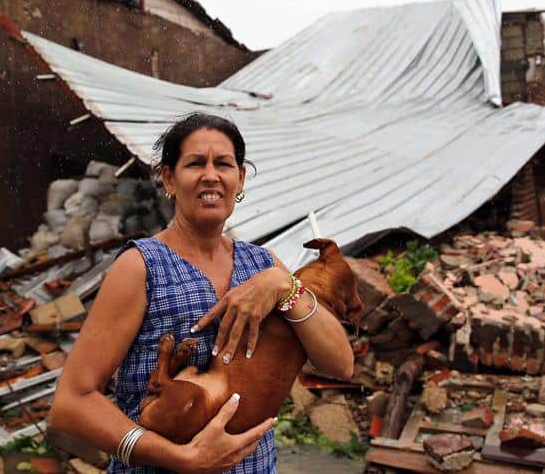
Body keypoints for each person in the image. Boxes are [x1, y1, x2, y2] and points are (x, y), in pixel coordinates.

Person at [49, 112, 354, 473]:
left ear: (239, 179)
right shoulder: (142, 267)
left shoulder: (263, 265)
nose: (211, 175)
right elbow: (71, 402)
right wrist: (184, 459)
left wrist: (282, 285)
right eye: (195, 163)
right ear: (169, 179)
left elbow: (340, 363)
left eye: (223, 164)